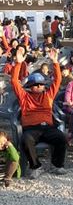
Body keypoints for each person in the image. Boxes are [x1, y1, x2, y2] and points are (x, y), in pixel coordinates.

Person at [11, 48, 66, 178]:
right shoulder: (24, 97)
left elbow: (58, 80)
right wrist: (18, 63)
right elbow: (14, 81)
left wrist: (55, 62)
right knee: (26, 140)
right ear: (30, 86)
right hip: (31, 129)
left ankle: (57, 165)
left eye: (41, 84)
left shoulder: (48, 95)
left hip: (47, 127)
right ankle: (36, 166)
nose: (39, 87)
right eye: (35, 85)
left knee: (61, 138)